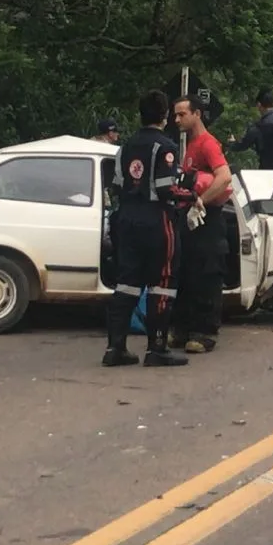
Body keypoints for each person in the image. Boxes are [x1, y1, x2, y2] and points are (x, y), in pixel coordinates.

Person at [104, 90, 197, 367]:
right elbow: (166, 189)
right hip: (157, 220)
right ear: (165, 115)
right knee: (163, 283)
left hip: (127, 219)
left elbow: (118, 185)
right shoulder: (165, 146)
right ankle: (156, 348)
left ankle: (115, 348)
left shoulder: (126, 147)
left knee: (126, 283)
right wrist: (191, 195)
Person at [172, 95, 234, 354]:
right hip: (192, 222)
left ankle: (205, 332)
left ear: (197, 114)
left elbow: (224, 176)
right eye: (175, 115)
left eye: (182, 114)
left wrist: (202, 202)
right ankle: (184, 328)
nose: (177, 120)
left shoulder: (208, 144)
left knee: (207, 275)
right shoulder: (191, 146)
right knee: (188, 273)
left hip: (208, 221)